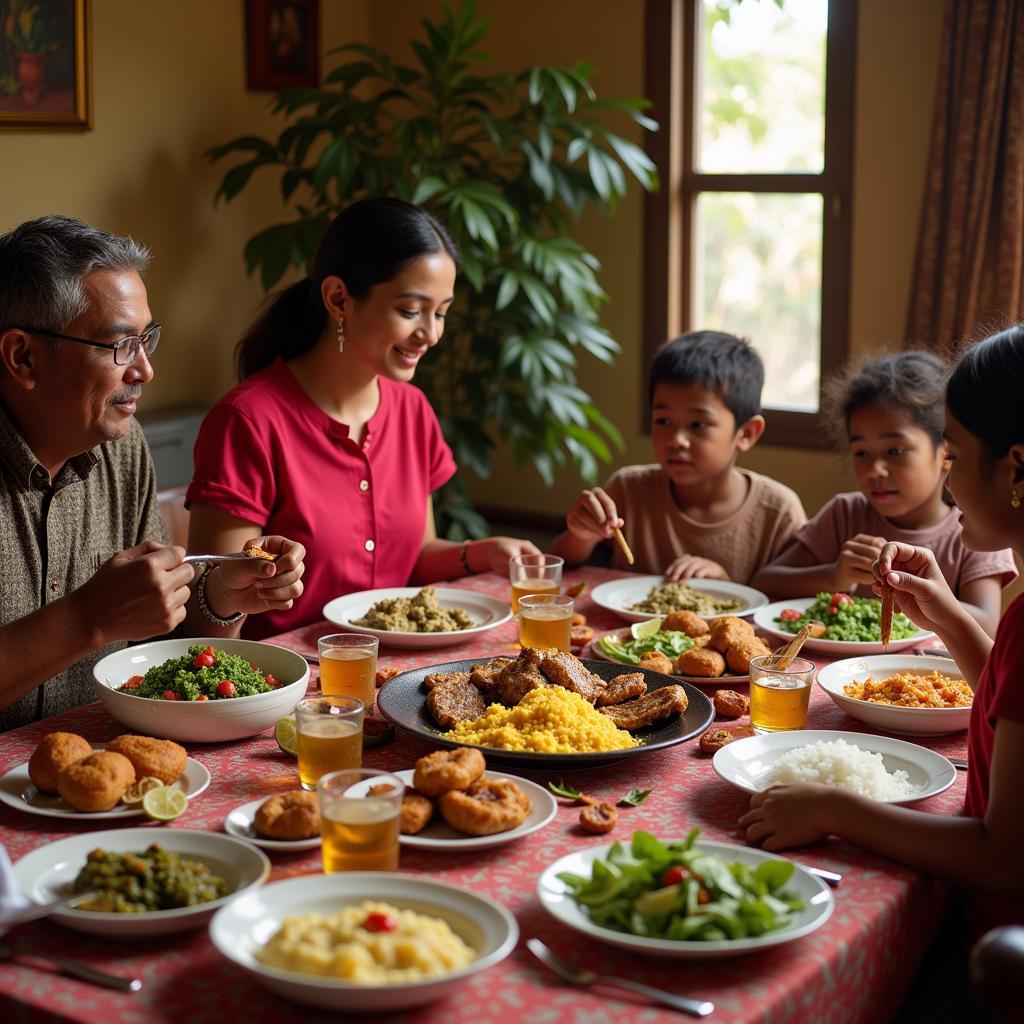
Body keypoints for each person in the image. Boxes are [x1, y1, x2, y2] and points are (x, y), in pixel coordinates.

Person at [739, 326, 1024, 1015]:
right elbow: (1006, 703)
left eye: (953, 456)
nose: (948, 480)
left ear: (1016, 468)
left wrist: (836, 808)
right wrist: (949, 618)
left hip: (990, 957)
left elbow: (1004, 858)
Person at [0, 216, 306, 732]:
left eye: (147, 340)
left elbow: (152, 650)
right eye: (120, 345)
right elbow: (100, 617)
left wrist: (220, 598)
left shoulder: (122, 447)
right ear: (23, 357)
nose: (144, 370)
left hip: (106, 760)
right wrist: (85, 619)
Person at [186, 197, 538, 638]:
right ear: (339, 299)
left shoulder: (412, 409)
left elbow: (415, 555)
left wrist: (484, 553)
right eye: (410, 311)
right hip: (284, 684)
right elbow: (206, 618)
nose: (431, 334)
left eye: (441, 312)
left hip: (392, 675)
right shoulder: (248, 420)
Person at [751, 351, 1016, 634]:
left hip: (924, 676)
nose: (875, 469)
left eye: (895, 451)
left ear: (944, 455)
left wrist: (918, 594)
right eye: (861, 452)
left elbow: (988, 624)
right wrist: (833, 577)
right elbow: (764, 583)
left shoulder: (974, 531)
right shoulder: (845, 514)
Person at [548, 330, 806, 582]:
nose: (676, 440)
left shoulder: (777, 512)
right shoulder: (629, 490)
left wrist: (725, 586)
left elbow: (792, 606)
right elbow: (558, 569)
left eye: (698, 425)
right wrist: (582, 534)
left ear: (747, 433)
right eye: (663, 420)